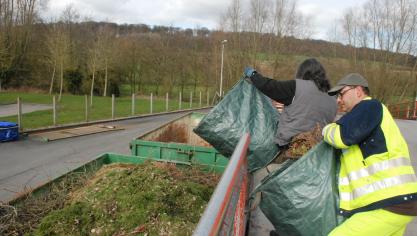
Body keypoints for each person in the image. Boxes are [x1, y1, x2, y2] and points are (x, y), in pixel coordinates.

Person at [322, 73, 417, 235]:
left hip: (386, 203)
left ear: (358, 91)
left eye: (341, 94)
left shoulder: (369, 106)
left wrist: (325, 129)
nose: (338, 100)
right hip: (398, 201)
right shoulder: (367, 115)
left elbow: (342, 137)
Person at [244, 58, 337, 155]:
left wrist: (254, 75)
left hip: (292, 148)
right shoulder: (332, 96)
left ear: (302, 72)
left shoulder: (297, 87)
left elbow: (269, 86)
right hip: (318, 150)